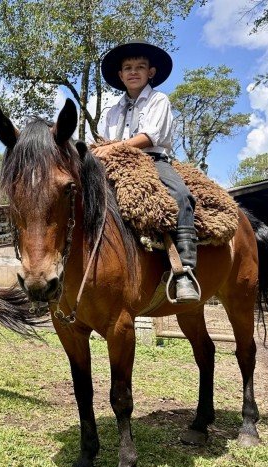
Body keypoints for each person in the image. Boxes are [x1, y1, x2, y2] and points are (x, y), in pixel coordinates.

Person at [94, 40, 200, 303]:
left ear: (150, 72)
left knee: (180, 195)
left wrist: (112, 148)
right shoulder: (111, 111)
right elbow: (103, 141)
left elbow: (150, 136)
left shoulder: (158, 100)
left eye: (140, 67)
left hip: (152, 160)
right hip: (115, 162)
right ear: (120, 75)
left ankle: (184, 271)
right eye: (127, 67)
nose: (133, 71)